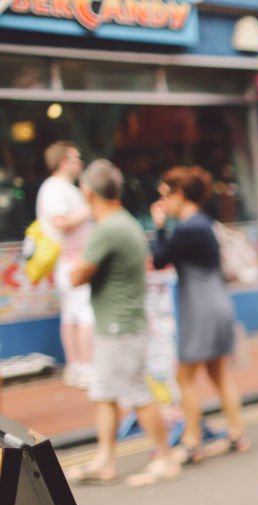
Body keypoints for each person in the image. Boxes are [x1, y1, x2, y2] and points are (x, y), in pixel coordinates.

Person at [67, 160, 178, 487]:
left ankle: (166, 458)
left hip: (121, 327)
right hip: (116, 324)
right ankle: (105, 460)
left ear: (88, 192)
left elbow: (77, 275)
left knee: (136, 393)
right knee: (104, 394)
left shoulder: (109, 229)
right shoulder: (123, 222)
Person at [150, 166, 249, 464]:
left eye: (165, 196)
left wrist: (158, 225)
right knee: (219, 373)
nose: (163, 203)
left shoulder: (189, 227)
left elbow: (158, 258)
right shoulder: (204, 224)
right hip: (217, 302)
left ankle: (192, 442)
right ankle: (236, 433)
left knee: (184, 376)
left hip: (200, 307)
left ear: (180, 195)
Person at [37, 141, 94, 388]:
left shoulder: (60, 188)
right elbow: (60, 222)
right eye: (75, 158)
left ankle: (77, 366)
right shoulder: (55, 188)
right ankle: (84, 367)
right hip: (72, 261)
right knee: (84, 314)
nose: (79, 163)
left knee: (73, 315)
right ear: (63, 161)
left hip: (70, 261)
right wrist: (90, 209)